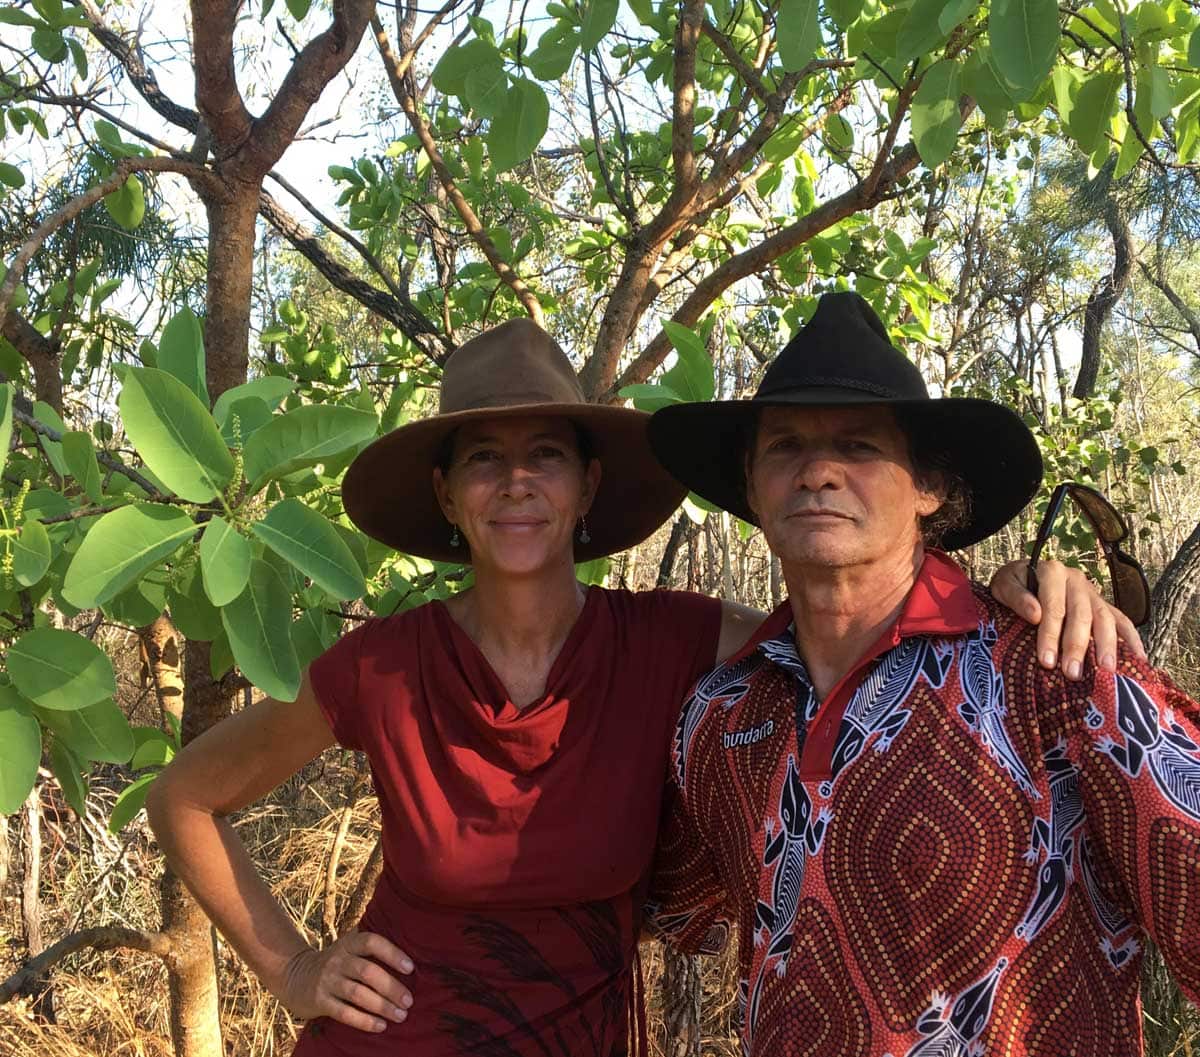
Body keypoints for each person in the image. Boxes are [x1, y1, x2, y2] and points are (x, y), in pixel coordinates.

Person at [145, 318, 1137, 1057]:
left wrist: (1020, 594)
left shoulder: (676, 645)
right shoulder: (382, 668)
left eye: (544, 456)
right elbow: (183, 795)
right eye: (483, 461)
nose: (517, 484)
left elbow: (856, 633)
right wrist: (292, 966)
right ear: (446, 495)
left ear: (585, 485)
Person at [645, 292, 1199, 1056]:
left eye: (860, 445)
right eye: (784, 446)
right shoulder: (720, 715)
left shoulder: (1058, 671)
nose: (818, 471)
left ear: (929, 487)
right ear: (750, 487)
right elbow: (668, 908)